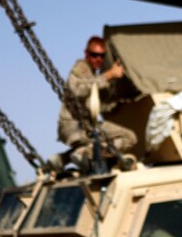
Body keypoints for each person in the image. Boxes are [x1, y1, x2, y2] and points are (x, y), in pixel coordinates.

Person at [57, 35, 137, 170]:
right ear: (86, 54)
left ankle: (68, 157)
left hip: (86, 125)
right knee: (128, 138)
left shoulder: (94, 73)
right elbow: (76, 90)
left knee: (124, 138)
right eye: (94, 55)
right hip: (75, 126)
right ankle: (83, 153)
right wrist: (108, 75)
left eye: (102, 56)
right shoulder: (81, 67)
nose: (98, 59)